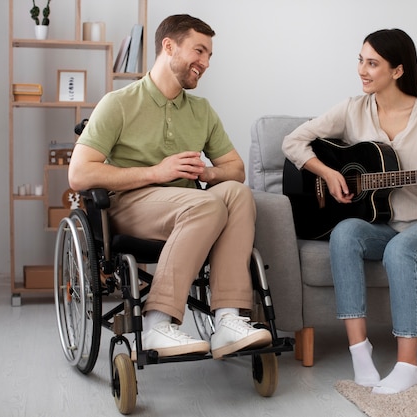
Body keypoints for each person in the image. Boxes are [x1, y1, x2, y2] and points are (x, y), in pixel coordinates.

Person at [69, 14, 271, 360]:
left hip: (188, 206)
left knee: (237, 193)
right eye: (199, 51)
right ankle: (157, 323)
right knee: (206, 205)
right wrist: (156, 172)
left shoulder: (201, 110)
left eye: (209, 56)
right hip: (129, 205)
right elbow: (80, 174)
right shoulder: (118, 103)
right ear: (169, 47)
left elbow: (235, 170)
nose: (205, 63)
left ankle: (227, 320)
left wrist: (207, 174)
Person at [282, 28, 417, 394]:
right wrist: (330, 173)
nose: (362, 70)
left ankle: (407, 366)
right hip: (383, 225)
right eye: (360, 60)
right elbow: (293, 141)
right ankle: (360, 352)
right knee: (345, 231)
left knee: (401, 250)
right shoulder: (352, 109)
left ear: (397, 70)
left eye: (372, 63)